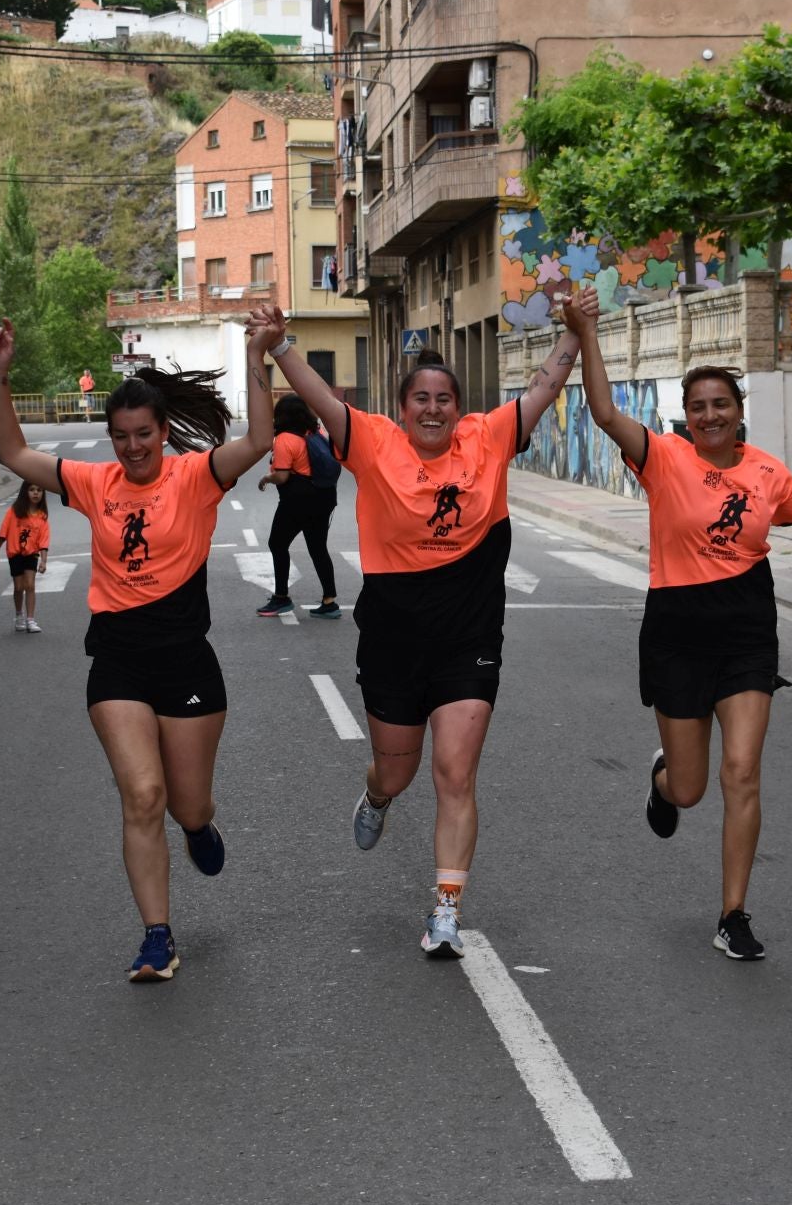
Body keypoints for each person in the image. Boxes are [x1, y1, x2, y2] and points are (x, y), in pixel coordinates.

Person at [561, 295, 792, 962]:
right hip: (677, 628)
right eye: (698, 406)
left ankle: (733, 913)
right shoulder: (663, 458)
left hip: (747, 627)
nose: (709, 415)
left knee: (743, 772)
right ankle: (663, 779)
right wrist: (586, 334)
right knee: (693, 789)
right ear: (687, 416)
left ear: (738, 412)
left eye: (720, 404)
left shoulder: (767, 473)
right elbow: (606, 412)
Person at [246, 294, 594, 959]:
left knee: (455, 774)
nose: (433, 409)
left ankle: (446, 910)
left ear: (458, 407)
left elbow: (546, 386)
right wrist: (281, 344)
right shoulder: (372, 443)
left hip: (468, 642)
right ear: (402, 408)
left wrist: (574, 335)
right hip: (393, 641)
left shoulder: (487, 440)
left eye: (444, 399)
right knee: (397, 774)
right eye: (421, 399)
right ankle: (377, 796)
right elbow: (319, 398)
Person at [0, 317, 273, 983]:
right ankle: (157, 937)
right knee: (142, 795)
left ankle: (199, 826)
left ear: (163, 431)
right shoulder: (94, 484)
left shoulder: (197, 477)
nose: (133, 447)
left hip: (186, 662)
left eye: (144, 434)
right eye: (121, 437)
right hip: (117, 662)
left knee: (185, 805)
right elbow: (15, 456)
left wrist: (259, 355)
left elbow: (260, 438)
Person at [255, 393, 341, 620]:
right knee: (318, 548)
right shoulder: (314, 433)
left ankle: (281, 597)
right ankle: (329, 602)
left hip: (297, 502)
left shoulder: (285, 439)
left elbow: (282, 477)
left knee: (277, 543)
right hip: (323, 498)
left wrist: (266, 478)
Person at [0, 480, 51, 633]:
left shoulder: (42, 516)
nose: (36, 493)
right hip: (15, 553)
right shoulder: (14, 512)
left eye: (39, 490)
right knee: (19, 587)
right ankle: (19, 615)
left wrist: (43, 561)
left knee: (30, 585)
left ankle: (30, 620)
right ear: (25, 492)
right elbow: (3, 532)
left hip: (32, 554)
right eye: (32, 490)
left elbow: (44, 540)